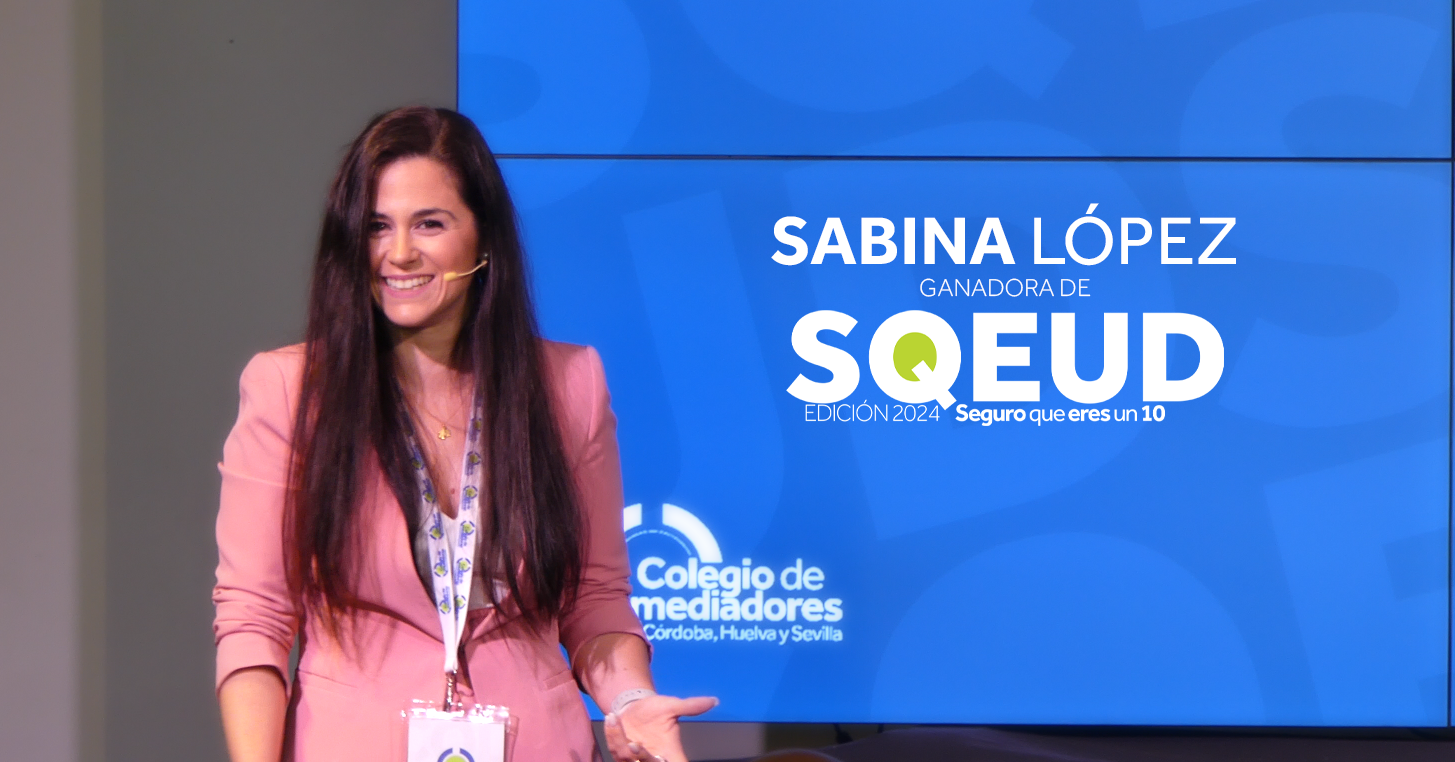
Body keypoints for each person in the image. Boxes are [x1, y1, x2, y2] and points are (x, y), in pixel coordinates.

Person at [212, 106, 714, 762]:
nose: (398, 252)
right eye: (376, 226)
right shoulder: (291, 390)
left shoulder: (570, 384)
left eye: (430, 223)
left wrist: (628, 700)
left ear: (483, 239)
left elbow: (594, 597)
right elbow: (255, 615)